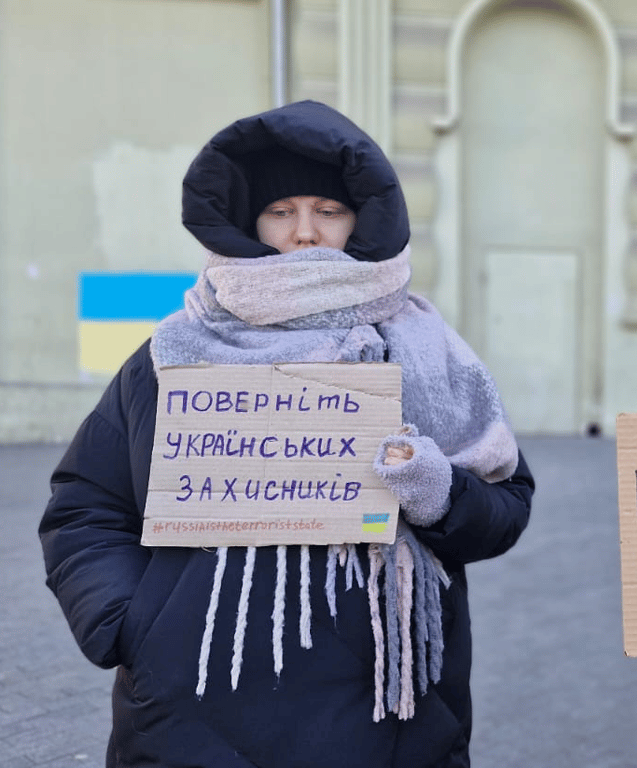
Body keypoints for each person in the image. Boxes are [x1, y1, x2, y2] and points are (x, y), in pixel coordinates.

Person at [38, 100, 534, 768]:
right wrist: (130, 623)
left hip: (388, 715)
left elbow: (506, 507)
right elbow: (86, 505)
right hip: (193, 711)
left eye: (329, 211)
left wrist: (441, 493)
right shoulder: (172, 354)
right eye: (281, 211)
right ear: (248, 222)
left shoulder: (433, 354)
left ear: (364, 219)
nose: (306, 233)